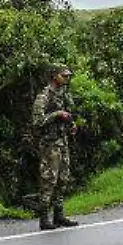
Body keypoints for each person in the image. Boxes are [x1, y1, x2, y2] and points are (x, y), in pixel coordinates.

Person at [30, 66, 78, 230]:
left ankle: (59, 215)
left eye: (68, 76)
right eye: (63, 76)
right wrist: (56, 115)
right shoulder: (44, 96)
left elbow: (68, 114)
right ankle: (44, 218)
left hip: (62, 141)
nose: (66, 79)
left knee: (63, 179)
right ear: (54, 76)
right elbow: (37, 122)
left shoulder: (63, 94)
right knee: (49, 180)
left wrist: (71, 125)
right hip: (49, 144)